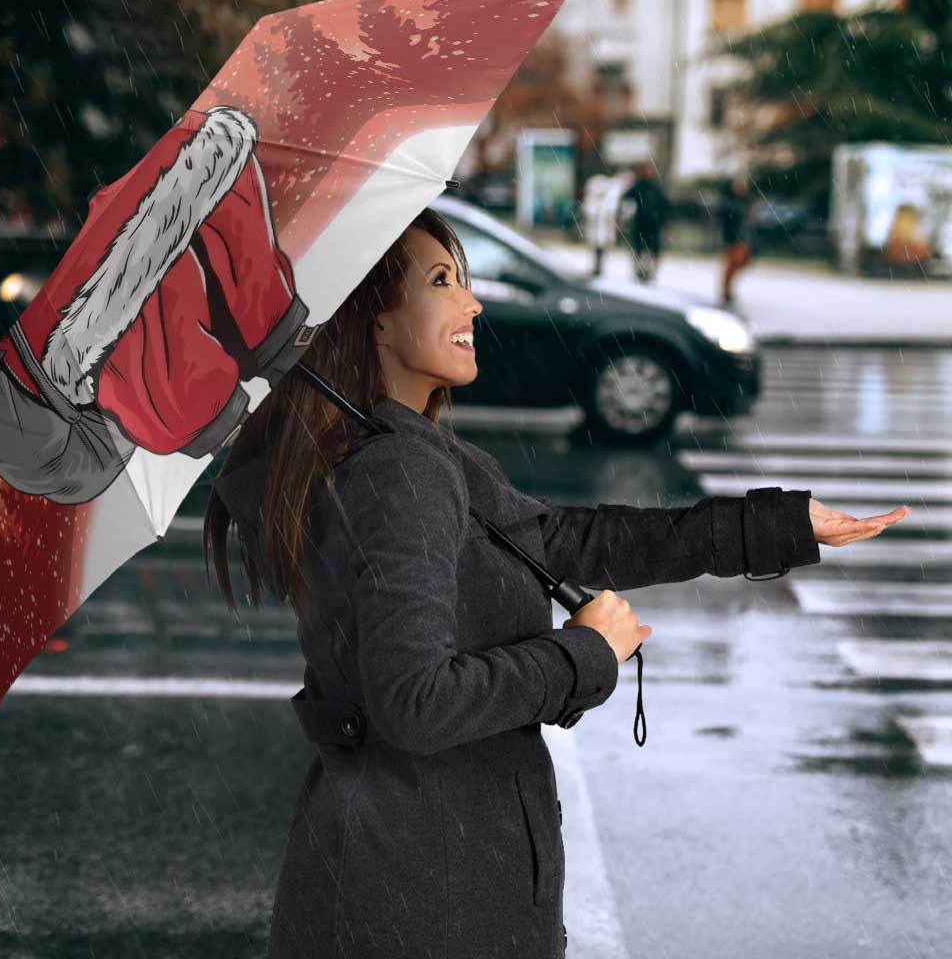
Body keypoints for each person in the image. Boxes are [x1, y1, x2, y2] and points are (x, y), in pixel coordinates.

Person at [204, 206, 908, 959]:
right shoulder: (398, 471)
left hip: (411, 877)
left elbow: (571, 540)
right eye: (442, 281)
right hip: (425, 898)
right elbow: (415, 702)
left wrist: (778, 526)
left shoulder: (410, 454)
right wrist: (583, 654)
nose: (472, 303)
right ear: (374, 321)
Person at [620, 161, 670, 284]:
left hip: (651, 223)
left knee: (648, 250)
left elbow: (664, 205)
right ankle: (641, 272)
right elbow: (626, 199)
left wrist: (663, 219)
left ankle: (647, 272)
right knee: (641, 249)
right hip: (643, 223)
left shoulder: (653, 187)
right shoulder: (640, 186)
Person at [718, 174, 754, 306]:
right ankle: (726, 290)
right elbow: (727, 221)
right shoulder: (730, 202)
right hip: (733, 238)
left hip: (742, 238)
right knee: (732, 264)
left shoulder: (745, 201)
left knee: (740, 263)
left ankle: (728, 289)